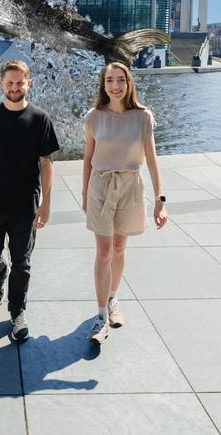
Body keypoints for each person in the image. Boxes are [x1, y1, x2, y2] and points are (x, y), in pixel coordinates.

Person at [0, 59, 59, 342]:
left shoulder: (40, 118)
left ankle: (17, 312)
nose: (15, 87)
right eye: (10, 83)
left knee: (23, 261)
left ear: (29, 83)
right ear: (1, 84)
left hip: (26, 205)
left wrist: (46, 204)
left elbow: (46, 163)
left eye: (20, 82)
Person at [82, 61, 167, 345]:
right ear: (103, 85)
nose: (115, 86)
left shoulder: (143, 117)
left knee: (119, 247)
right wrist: (84, 193)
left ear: (129, 83)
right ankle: (100, 314)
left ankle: (113, 297)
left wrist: (160, 200)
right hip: (100, 187)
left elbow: (152, 160)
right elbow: (87, 158)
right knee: (104, 251)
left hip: (131, 187)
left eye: (120, 80)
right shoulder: (94, 116)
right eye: (109, 80)